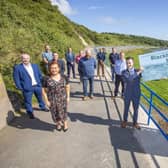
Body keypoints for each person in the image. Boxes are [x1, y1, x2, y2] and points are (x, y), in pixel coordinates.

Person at [13, 53, 49, 119]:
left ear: (29, 59)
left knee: (40, 97)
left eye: (27, 58)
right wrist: (20, 87)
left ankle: (43, 107)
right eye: (24, 58)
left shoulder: (35, 66)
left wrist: (41, 83)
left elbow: (40, 75)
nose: (25, 60)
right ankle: (30, 112)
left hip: (37, 85)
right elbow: (16, 79)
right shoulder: (17, 68)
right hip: (27, 87)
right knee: (28, 101)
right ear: (21, 59)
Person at [42, 62, 70, 131]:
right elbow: (43, 90)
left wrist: (68, 97)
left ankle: (65, 123)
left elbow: (67, 86)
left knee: (64, 111)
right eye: (52, 68)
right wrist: (46, 101)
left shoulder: (64, 77)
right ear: (49, 69)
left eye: (55, 68)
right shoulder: (46, 78)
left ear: (58, 68)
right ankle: (58, 123)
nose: (54, 70)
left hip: (62, 98)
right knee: (54, 112)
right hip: (52, 99)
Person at [121, 57, 143, 129]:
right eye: (127, 63)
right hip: (128, 93)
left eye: (130, 62)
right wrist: (138, 72)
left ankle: (135, 122)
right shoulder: (124, 72)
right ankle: (125, 121)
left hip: (136, 93)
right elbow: (129, 79)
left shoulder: (137, 70)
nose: (128, 64)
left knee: (136, 109)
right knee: (126, 108)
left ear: (133, 63)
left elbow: (148, 75)